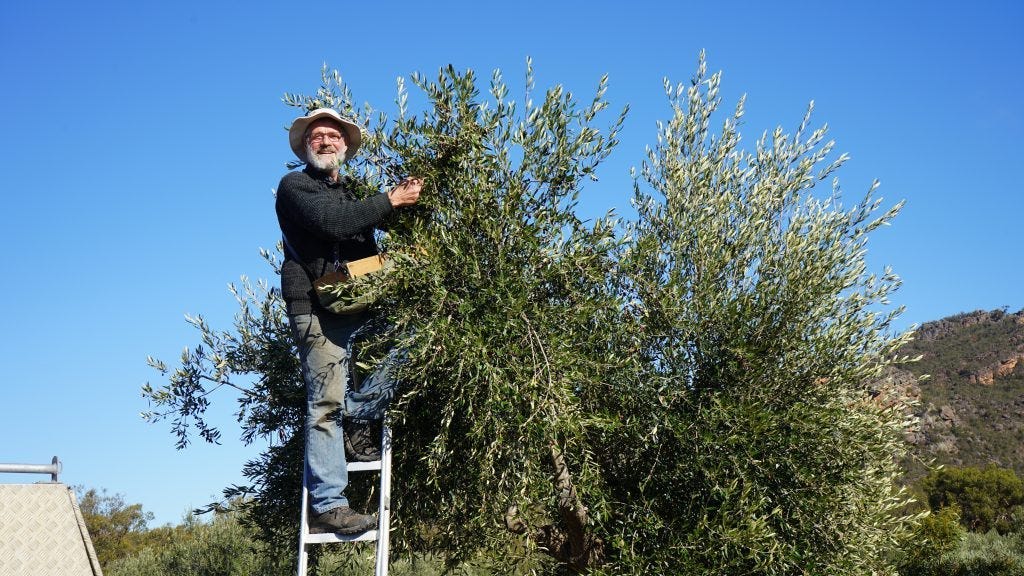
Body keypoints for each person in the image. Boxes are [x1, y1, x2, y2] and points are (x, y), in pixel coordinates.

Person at [276, 108, 422, 534]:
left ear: (344, 146)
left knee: (414, 339)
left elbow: (368, 226)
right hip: (316, 310)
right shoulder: (295, 187)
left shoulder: (353, 191)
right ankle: (327, 504)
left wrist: (411, 200)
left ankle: (360, 413)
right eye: (317, 136)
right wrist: (389, 200)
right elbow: (332, 224)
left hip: (358, 301)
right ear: (306, 146)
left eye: (332, 136)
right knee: (325, 406)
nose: (325, 141)